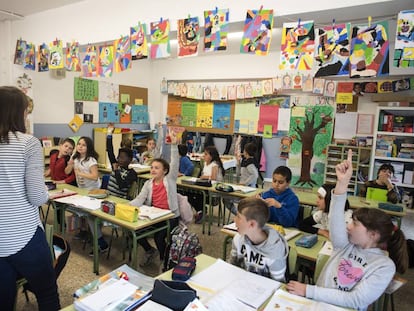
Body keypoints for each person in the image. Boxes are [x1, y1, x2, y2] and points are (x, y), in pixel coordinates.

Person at [286, 150, 408, 311]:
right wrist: (342, 183)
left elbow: (355, 300)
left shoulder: (384, 266)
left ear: (373, 234)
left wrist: (309, 290)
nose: (348, 226)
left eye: (355, 224)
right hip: (317, 305)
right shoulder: (345, 244)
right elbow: (335, 215)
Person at [0, 86, 60, 310]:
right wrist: (46, 193)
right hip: (23, 235)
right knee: (46, 293)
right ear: (17, 112)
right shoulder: (28, 143)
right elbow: (36, 197)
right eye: (26, 111)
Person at [129, 125, 180, 267]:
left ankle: (165, 260)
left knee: (159, 238)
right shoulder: (148, 183)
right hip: (155, 216)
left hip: (170, 216)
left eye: (157, 168)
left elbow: (175, 162)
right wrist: (128, 206)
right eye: (152, 167)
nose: (153, 170)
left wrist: (174, 145)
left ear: (165, 171)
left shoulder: (169, 180)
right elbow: (140, 198)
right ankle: (150, 250)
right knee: (135, 230)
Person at [230, 197, 288, 281]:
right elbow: (231, 266)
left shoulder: (275, 252)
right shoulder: (238, 239)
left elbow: (279, 284)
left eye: (238, 217)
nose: (234, 219)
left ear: (252, 224)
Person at [66, 137, 108, 253]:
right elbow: (67, 172)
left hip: (93, 192)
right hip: (82, 191)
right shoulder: (75, 158)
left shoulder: (91, 160)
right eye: (79, 144)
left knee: (90, 215)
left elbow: (95, 176)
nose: (80, 146)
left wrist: (81, 173)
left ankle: (101, 243)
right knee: (71, 207)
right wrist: (70, 164)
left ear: (88, 147)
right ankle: (85, 231)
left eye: (83, 145)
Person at [188, 146, 225, 223]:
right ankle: (200, 210)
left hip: (212, 189)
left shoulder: (215, 164)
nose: (204, 156)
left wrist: (205, 177)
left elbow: (214, 178)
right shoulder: (205, 163)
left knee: (197, 194)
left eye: (206, 154)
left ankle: (201, 211)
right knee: (189, 193)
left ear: (212, 156)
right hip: (204, 186)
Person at [224, 142, 259, 215]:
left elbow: (255, 175)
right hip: (242, 189)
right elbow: (238, 173)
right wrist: (238, 162)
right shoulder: (245, 161)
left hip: (248, 190)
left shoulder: (250, 163)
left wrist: (245, 183)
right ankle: (239, 215)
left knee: (227, 199)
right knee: (226, 198)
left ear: (246, 151)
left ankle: (240, 216)